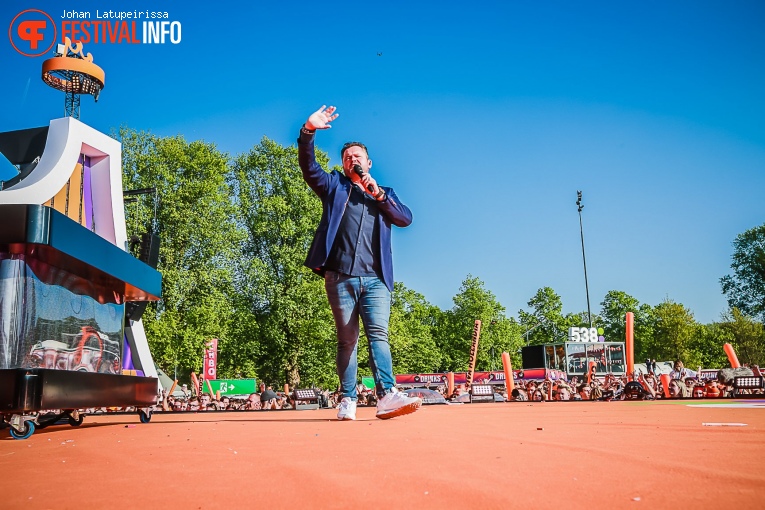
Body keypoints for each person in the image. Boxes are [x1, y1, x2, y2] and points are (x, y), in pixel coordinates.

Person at [297, 105, 422, 421]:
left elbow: (405, 218)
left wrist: (378, 194)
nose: (353, 159)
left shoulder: (384, 194)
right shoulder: (334, 187)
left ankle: (387, 395)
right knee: (347, 339)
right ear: (343, 163)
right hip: (340, 277)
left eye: (358, 156)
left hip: (376, 279)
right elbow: (309, 168)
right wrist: (308, 132)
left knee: (379, 333)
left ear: (369, 162)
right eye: (347, 156)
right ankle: (348, 399)